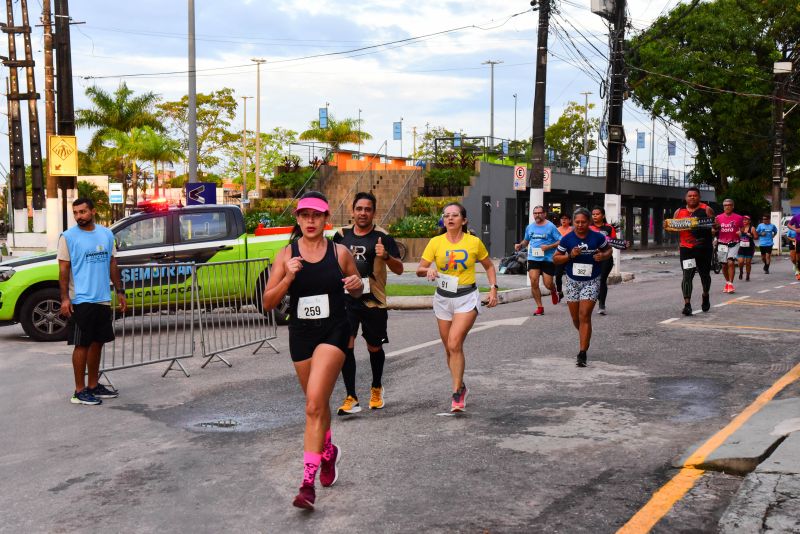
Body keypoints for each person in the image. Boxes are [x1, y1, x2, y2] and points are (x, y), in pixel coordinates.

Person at [261, 191, 363, 511]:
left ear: (325, 218)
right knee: (315, 406)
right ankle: (328, 451)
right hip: (301, 334)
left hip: (334, 330)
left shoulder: (340, 252)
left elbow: (357, 283)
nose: (310, 221)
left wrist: (356, 286)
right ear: (298, 218)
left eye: (316, 215)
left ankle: (307, 484)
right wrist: (289, 275)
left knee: (313, 405)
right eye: (304, 215)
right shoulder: (285, 254)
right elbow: (268, 302)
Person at [416, 202, 498, 412]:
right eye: (446, 215)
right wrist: (429, 270)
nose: (450, 218)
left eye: (454, 215)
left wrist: (493, 289)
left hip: (466, 297)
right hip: (443, 298)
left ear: (464, 220)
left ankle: (456, 394)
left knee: (454, 342)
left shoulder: (474, 242)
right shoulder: (435, 242)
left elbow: (489, 266)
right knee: (449, 348)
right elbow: (420, 269)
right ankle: (460, 385)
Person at [333, 192, 403, 415]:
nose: (363, 213)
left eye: (368, 209)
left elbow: (399, 269)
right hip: (346, 301)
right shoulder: (340, 235)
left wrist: (387, 257)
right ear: (352, 211)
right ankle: (351, 396)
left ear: (374, 212)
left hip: (374, 301)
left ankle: (376, 387)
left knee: (374, 346)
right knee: (347, 346)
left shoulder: (383, 237)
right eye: (359, 209)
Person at [58, 198, 127, 405]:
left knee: (98, 342)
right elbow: (63, 270)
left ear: (93, 212)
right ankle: (79, 391)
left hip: (102, 298)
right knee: (82, 344)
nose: (79, 216)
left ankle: (93, 385)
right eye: (76, 212)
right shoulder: (68, 237)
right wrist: (64, 298)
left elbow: (112, 263)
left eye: (83, 211)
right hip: (81, 300)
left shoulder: (106, 234)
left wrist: (120, 290)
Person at [553, 208, 612, 367]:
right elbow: (556, 259)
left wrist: (603, 256)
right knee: (576, 318)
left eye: (583, 222)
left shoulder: (598, 237)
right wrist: (570, 256)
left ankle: (582, 352)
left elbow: (609, 250)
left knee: (584, 314)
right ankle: (585, 336)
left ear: (589, 222)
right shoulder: (567, 239)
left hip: (592, 280)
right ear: (573, 222)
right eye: (577, 222)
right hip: (572, 281)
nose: (580, 225)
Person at [666, 187, 715, 316]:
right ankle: (687, 305)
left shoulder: (706, 209)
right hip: (687, 248)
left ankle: (705, 295)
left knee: (705, 275)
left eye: (695, 195)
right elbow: (672, 227)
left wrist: (714, 227)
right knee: (687, 275)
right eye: (690, 196)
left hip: (704, 248)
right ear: (686, 198)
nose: (692, 197)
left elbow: (715, 225)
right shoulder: (679, 212)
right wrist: (668, 226)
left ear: (699, 197)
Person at [514, 205, 562, 316]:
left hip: (547, 259)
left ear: (544, 214)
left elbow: (560, 241)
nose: (537, 215)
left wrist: (548, 247)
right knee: (534, 281)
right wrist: (520, 245)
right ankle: (540, 307)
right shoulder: (530, 227)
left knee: (548, 284)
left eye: (539, 213)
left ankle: (554, 290)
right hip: (533, 258)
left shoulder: (551, 227)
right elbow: (526, 241)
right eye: (535, 213)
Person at [590, 207, 616, 315]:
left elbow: (614, 242)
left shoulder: (609, 228)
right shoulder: (588, 227)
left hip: (605, 257)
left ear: (603, 216)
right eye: (593, 214)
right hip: (592, 258)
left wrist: (624, 244)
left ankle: (601, 305)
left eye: (597, 214)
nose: (595, 216)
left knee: (601, 280)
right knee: (592, 281)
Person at [715, 199, 744, 293]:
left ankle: (731, 284)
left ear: (733, 206)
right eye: (725, 205)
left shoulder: (739, 217)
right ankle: (727, 282)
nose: (727, 207)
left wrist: (741, 232)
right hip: (722, 243)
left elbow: (742, 228)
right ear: (723, 207)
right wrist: (714, 236)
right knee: (723, 265)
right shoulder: (718, 218)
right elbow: (714, 229)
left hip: (734, 243)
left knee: (730, 262)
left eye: (729, 205)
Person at [554, 213, 572, 301]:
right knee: (558, 275)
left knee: (570, 276)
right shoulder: (556, 230)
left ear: (570, 220)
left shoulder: (572, 230)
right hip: (560, 256)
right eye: (562, 218)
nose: (564, 220)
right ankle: (559, 291)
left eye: (566, 218)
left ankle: (570, 294)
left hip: (570, 256)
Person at [736, 215, 758, 281]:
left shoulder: (752, 228)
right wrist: (738, 234)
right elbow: (735, 235)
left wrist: (750, 235)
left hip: (750, 247)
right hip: (741, 247)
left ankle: (748, 275)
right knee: (740, 262)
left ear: (749, 221)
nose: (744, 221)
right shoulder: (739, 228)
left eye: (746, 220)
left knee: (748, 262)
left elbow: (756, 237)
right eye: (743, 220)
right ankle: (741, 271)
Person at [787, 213, 800, 280]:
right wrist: (795, 229)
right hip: (798, 241)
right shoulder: (796, 217)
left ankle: (798, 273)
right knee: (797, 259)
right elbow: (788, 225)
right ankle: (798, 270)